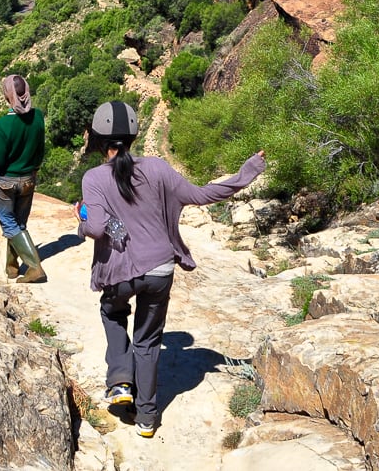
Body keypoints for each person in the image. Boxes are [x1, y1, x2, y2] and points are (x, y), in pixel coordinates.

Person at [75, 100, 266, 438]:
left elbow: (97, 229)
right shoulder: (158, 168)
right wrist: (247, 171)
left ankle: (120, 381)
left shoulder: (94, 178)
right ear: (133, 135)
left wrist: (83, 216)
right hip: (160, 268)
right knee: (147, 341)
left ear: (99, 139)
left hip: (119, 272)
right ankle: (147, 420)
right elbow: (203, 195)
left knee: (113, 313)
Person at [0, 73, 47, 283]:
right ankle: (12, 267)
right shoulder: (38, 116)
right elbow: (40, 149)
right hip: (29, 178)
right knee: (19, 223)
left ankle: (34, 267)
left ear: (8, 95)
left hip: (7, 180)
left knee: (8, 222)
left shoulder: (4, 123)